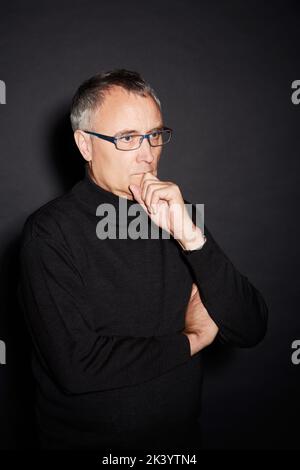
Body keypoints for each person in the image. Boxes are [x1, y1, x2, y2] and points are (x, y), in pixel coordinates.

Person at [17, 68, 268, 451]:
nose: (148, 154)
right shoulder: (50, 232)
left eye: (154, 135)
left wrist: (192, 238)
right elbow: (77, 366)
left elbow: (250, 328)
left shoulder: (176, 212)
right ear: (85, 145)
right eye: (127, 138)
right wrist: (192, 340)